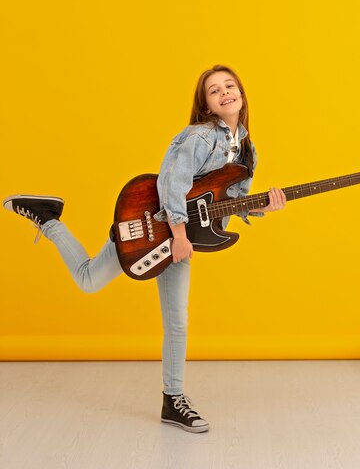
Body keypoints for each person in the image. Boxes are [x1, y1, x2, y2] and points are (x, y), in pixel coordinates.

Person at [3, 64, 286, 434]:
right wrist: (180, 235)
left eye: (229, 85)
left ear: (242, 93)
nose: (224, 92)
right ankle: (48, 219)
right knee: (88, 280)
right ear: (206, 105)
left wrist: (259, 207)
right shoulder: (198, 137)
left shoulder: (248, 152)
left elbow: (233, 199)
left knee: (178, 321)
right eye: (214, 90)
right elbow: (172, 182)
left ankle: (174, 400)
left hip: (181, 242)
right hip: (151, 225)